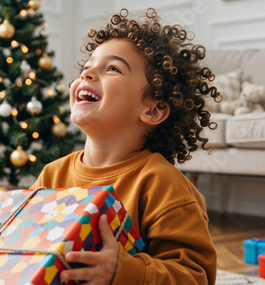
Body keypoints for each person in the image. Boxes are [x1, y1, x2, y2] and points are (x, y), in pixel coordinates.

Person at [30, 8, 219, 285]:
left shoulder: (162, 183)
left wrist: (123, 270)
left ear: (153, 110)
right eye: (87, 67)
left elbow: (195, 277)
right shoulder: (51, 175)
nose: (89, 73)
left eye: (113, 68)